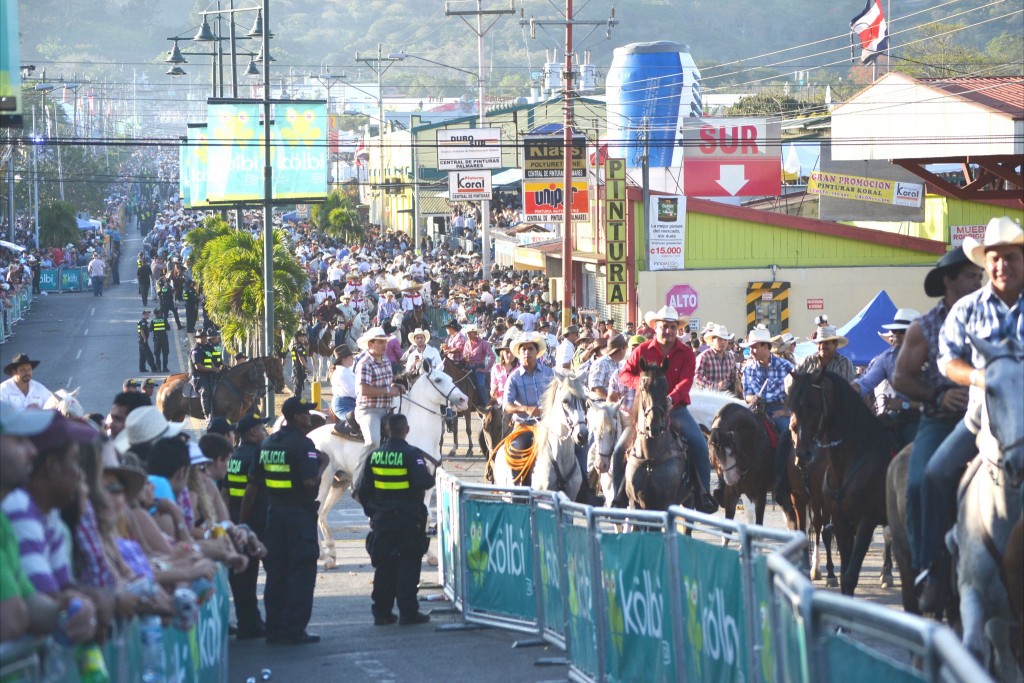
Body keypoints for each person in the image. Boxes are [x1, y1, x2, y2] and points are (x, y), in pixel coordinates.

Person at [917, 216, 1023, 612]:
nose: (1001, 266)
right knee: (934, 475)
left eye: (1010, 257)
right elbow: (947, 361)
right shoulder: (967, 309)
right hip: (983, 421)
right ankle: (935, 568)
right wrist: (978, 377)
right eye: (994, 259)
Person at [892, 246, 982, 577]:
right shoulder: (924, 327)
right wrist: (938, 395)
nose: (978, 281)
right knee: (918, 482)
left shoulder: (994, 315)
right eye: (971, 275)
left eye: (980, 275)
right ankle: (926, 564)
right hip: (941, 420)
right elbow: (901, 377)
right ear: (949, 280)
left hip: (993, 416)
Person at [618, 305, 718, 514]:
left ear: (677, 329)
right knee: (619, 448)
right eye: (664, 326)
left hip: (677, 409)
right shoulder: (642, 350)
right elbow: (624, 374)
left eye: (673, 327)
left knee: (700, 444)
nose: (669, 331)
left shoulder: (687, 353)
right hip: (645, 412)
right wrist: (644, 384)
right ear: (656, 327)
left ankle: (703, 494)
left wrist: (671, 398)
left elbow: (686, 381)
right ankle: (619, 498)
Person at [247, 397, 327, 645]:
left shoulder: (268, 443)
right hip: (298, 517)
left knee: (276, 573)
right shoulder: (303, 445)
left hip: (274, 516)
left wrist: (245, 521)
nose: (309, 417)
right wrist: (323, 465)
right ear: (295, 417)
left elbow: (254, 483)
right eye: (305, 413)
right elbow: (309, 482)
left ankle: (274, 628)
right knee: (301, 573)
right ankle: (293, 630)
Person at [357, 413, 435, 626]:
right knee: (408, 567)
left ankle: (382, 613)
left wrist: (373, 513)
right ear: (406, 430)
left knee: (384, 568)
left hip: (383, 521)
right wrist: (430, 472)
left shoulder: (375, 456)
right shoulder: (412, 455)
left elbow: (363, 491)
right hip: (409, 521)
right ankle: (408, 613)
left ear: (385, 430)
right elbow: (424, 482)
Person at [0, 408, 64, 643]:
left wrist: (70, 611)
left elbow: (33, 602)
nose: (32, 450)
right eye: (19, 440)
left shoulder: (3, 522)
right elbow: (10, 622)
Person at [738, 327, 796, 505]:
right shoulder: (748, 368)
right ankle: (740, 478)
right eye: (751, 347)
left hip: (780, 408)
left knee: (787, 433)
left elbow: (796, 393)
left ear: (766, 347)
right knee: (737, 434)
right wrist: (751, 398)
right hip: (757, 409)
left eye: (755, 347)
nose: (752, 351)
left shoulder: (785, 366)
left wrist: (787, 411)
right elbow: (746, 393)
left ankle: (782, 477)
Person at [227, 411, 271, 640]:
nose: (265, 432)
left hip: (235, 519)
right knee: (254, 575)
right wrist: (244, 525)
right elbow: (250, 494)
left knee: (241, 578)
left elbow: (227, 492)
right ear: (253, 432)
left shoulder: (235, 455)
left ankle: (249, 621)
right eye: (262, 429)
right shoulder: (256, 456)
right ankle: (252, 624)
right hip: (253, 522)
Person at [852, 308, 922, 448]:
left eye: (901, 331)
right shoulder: (887, 357)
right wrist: (843, 389)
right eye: (894, 331)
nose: (896, 335)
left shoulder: (932, 356)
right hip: (897, 415)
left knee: (912, 450)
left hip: (924, 419)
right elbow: (865, 383)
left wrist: (904, 405)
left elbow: (938, 402)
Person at [355, 327, 404, 452]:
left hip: (387, 409)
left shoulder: (386, 360)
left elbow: (387, 383)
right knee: (373, 442)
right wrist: (388, 390)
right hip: (369, 410)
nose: (384, 345)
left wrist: (396, 386)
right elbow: (364, 390)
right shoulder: (364, 364)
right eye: (380, 342)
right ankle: (361, 471)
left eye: (385, 342)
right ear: (370, 344)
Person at [694, 324, 738, 394]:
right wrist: (715, 386)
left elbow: (734, 378)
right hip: (709, 396)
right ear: (712, 340)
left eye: (725, 340)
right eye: (720, 339)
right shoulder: (704, 356)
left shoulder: (731, 357)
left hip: (726, 396)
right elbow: (697, 378)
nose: (723, 342)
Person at [461, 324, 496, 407]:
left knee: (481, 385)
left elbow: (492, 356)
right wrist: (465, 358)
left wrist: (485, 369)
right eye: (467, 333)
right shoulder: (467, 344)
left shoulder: (484, 343)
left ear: (475, 333)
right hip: (468, 367)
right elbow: (464, 355)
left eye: (470, 333)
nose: (468, 335)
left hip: (479, 367)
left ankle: (487, 405)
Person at [588, 333, 628, 401]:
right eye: (625, 348)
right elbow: (595, 387)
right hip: (600, 404)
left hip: (614, 405)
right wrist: (611, 399)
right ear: (621, 350)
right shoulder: (601, 363)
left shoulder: (620, 365)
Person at [189, 329, 219, 422]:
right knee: (205, 391)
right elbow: (198, 367)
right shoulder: (195, 350)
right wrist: (212, 369)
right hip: (198, 376)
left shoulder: (207, 347)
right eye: (202, 338)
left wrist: (220, 366)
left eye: (205, 337)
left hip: (209, 373)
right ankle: (207, 415)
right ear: (197, 339)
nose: (205, 339)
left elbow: (213, 359)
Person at [329, 346, 357, 417]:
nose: (353, 359)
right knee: (355, 423)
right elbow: (353, 392)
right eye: (351, 357)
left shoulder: (346, 370)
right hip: (344, 405)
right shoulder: (342, 372)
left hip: (349, 403)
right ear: (344, 359)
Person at [289, 331, 311, 400]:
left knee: (298, 389)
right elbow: (301, 358)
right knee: (298, 390)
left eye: (303, 336)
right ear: (297, 338)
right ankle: (296, 406)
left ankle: (296, 405)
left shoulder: (296, 345)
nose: (302, 338)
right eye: (300, 337)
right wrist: (307, 368)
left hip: (296, 370)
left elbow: (305, 354)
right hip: (298, 370)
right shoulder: (299, 347)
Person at [137, 309, 159, 373]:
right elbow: (142, 331)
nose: (148, 315)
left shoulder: (143, 321)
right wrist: (144, 338)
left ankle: (142, 368)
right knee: (149, 355)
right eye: (147, 314)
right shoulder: (143, 322)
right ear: (144, 315)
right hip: (143, 341)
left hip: (141, 341)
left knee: (142, 356)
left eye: (148, 314)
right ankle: (154, 368)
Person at [150, 308, 171, 372]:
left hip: (156, 339)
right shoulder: (164, 319)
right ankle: (165, 368)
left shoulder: (153, 321)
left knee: (157, 354)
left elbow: (150, 329)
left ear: (155, 314)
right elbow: (168, 328)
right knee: (165, 353)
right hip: (164, 338)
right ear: (160, 313)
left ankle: (158, 368)